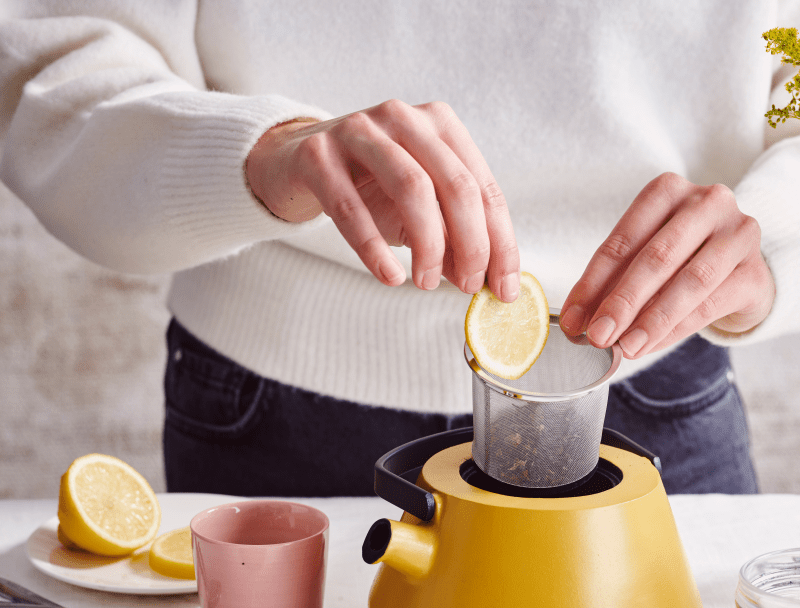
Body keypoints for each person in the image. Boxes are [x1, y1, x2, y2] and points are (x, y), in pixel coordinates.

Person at [1, 2, 798, 496]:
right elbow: (55, 66)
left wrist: (769, 235)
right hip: (272, 412)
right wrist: (265, 156)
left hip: (653, 392)